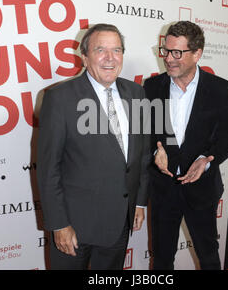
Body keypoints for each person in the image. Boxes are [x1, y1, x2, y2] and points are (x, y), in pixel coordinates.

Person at [37, 23, 150, 270]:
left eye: (117, 50)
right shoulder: (60, 98)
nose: (110, 58)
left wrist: (139, 202)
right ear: (85, 56)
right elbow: (48, 168)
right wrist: (58, 224)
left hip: (119, 222)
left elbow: (141, 155)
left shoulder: (137, 93)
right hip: (74, 226)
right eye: (101, 50)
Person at [143, 21, 228, 270]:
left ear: (197, 54)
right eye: (165, 50)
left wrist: (206, 159)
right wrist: (155, 152)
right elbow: (147, 136)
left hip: (202, 190)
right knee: (162, 259)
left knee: (208, 256)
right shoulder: (152, 88)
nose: (169, 59)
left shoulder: (220, 89)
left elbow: (227, 138)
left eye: (177, 53)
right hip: (164, 191)